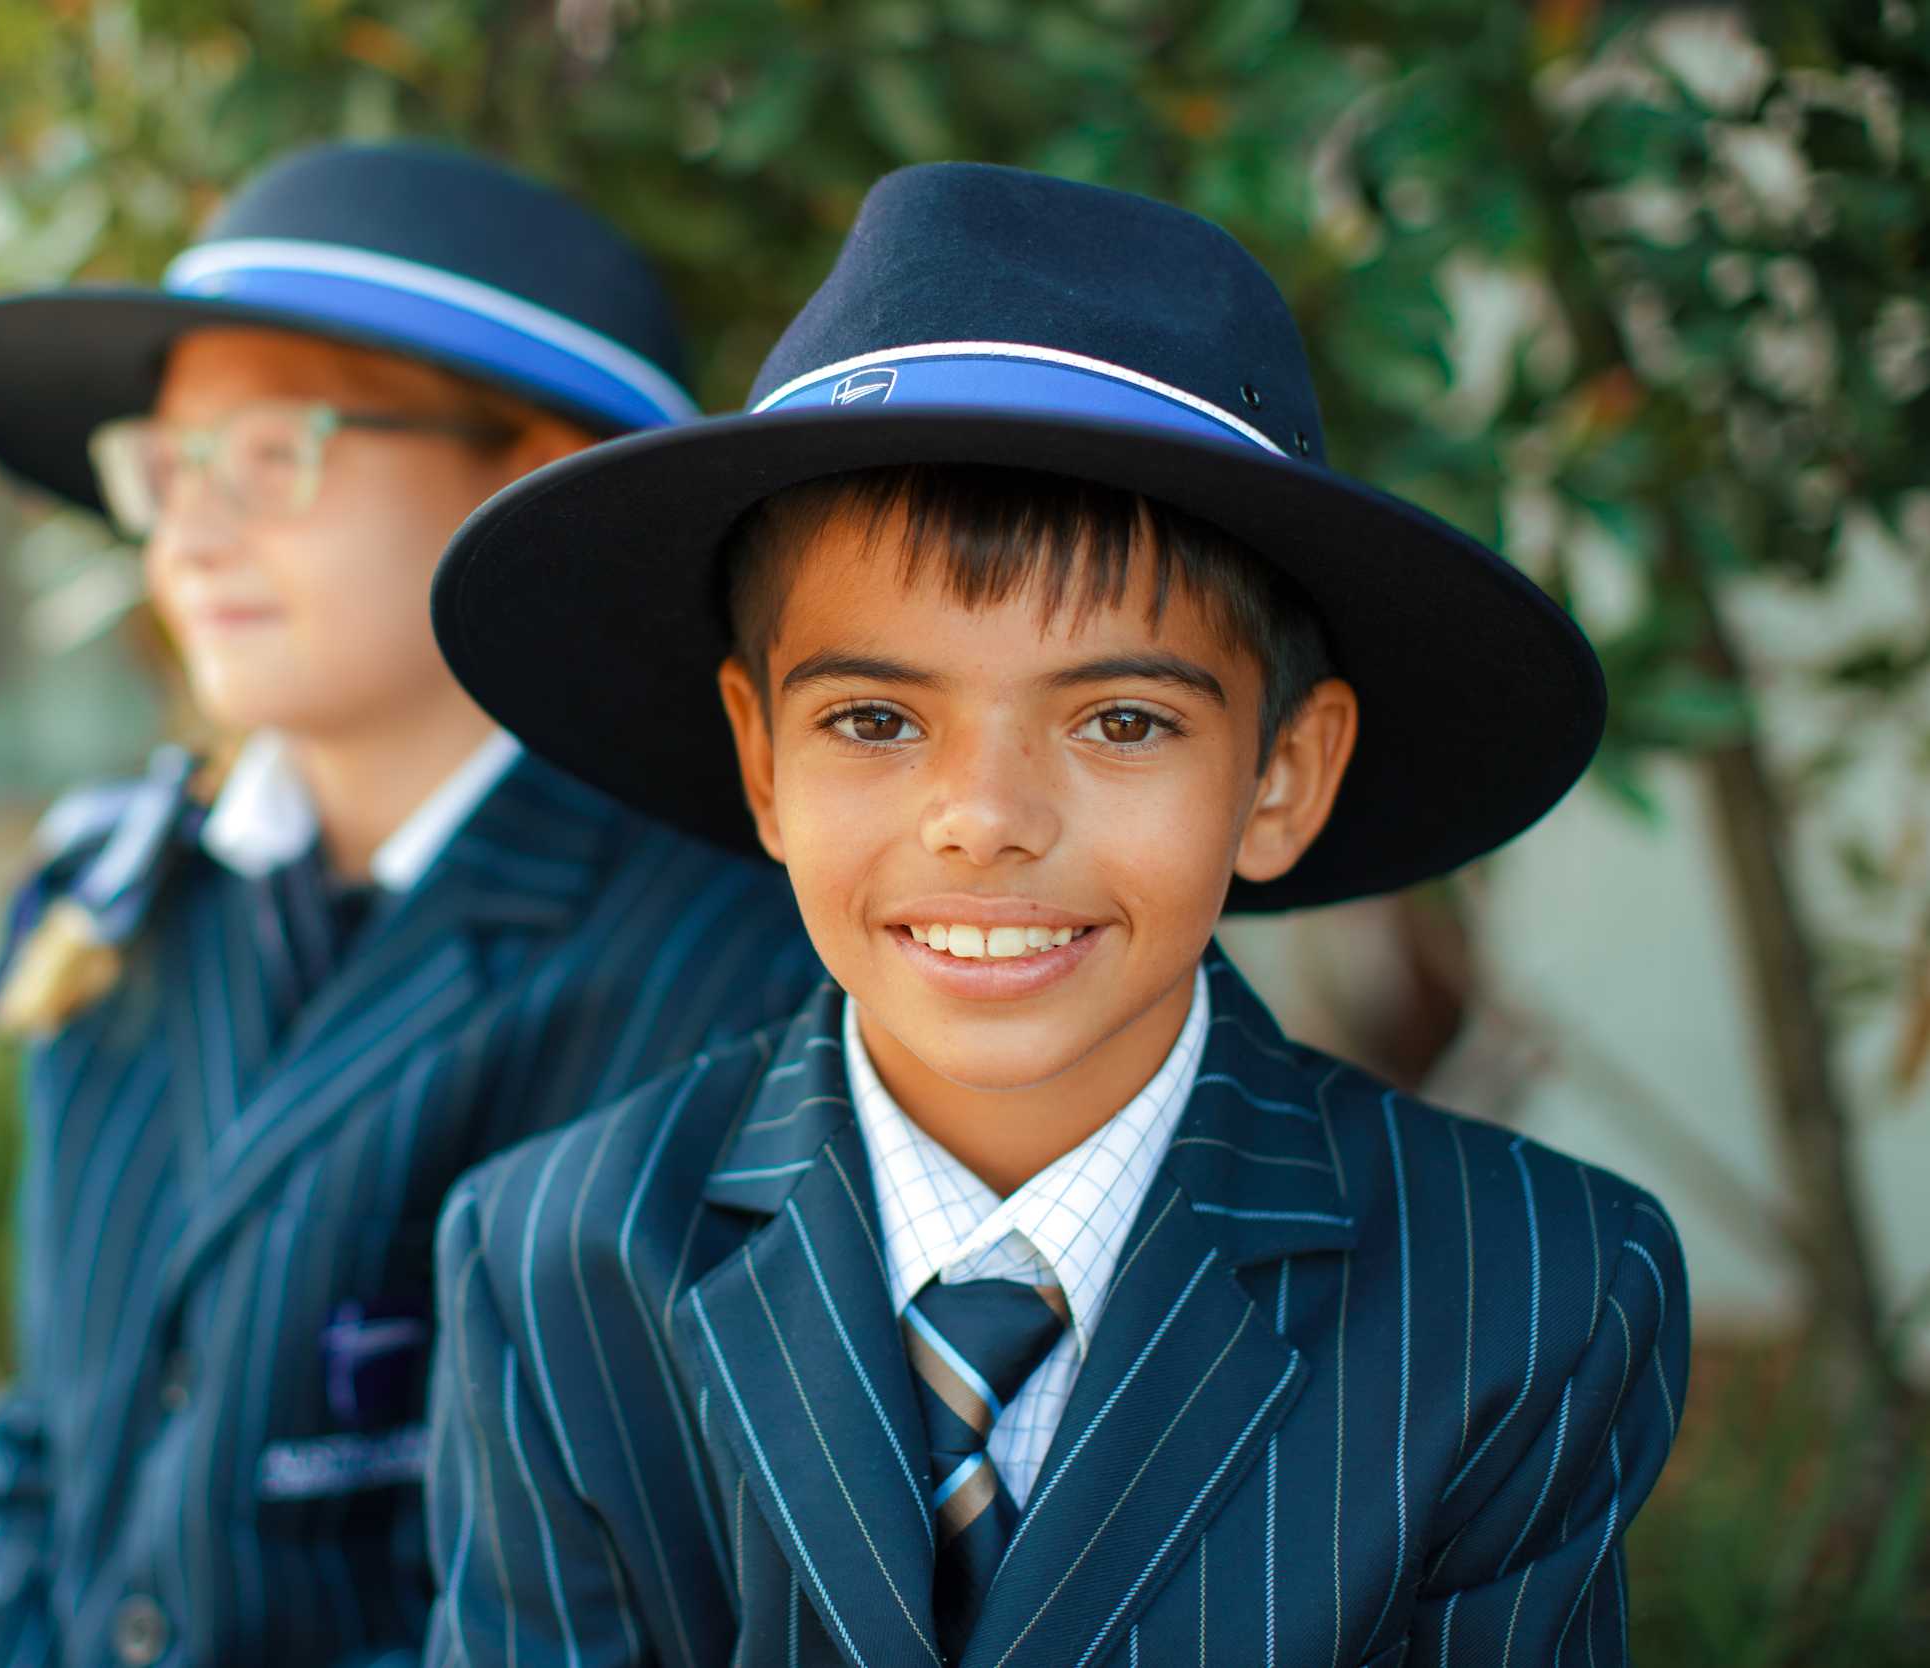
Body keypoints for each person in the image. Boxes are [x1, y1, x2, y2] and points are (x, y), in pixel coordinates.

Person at [418, 163, 1689, 1668]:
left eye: (1125, 723)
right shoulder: (559, 1258)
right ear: (761, 762)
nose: (988, 816)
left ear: (1282, 773)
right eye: (878, 721)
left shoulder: (1528, 1292)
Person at [0, 142, 820, 1668]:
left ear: (533, 484)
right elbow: (52, 1434)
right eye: (170, 468)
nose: (189, 537)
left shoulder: (727, 963)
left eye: (275, 455)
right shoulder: (127, 895)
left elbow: (640, 1584)